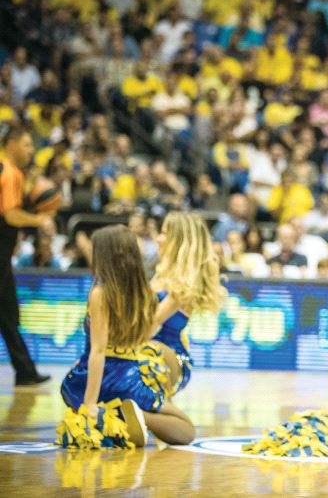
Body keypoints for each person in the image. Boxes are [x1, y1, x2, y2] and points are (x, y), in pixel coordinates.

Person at [59, 225, 196, 446]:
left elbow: (98, 350)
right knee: (187, 430)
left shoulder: (100, 293)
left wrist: (90, 403)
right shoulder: (144, 294)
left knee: (183, 429)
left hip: (94, 379)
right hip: (128, 377)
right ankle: (133, 417)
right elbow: (144, 335)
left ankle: (114, 418)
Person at [150, 212, 228, 396]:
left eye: (163, 233)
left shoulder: (181, 287)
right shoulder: (162, 276)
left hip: (166, 358)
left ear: (178, 240)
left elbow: (152, 323)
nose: (158, 239)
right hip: (153, 352)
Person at [0, 126, 53, 386]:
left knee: (8, 312)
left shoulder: (13, 172)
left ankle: (25, 371)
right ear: (11, 144)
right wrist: (39, 219)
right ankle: (25, 370)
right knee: (7, 311)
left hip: (3, 256)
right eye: (27, 144)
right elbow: (10, 215)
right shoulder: (8, 172)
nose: (31, 150)